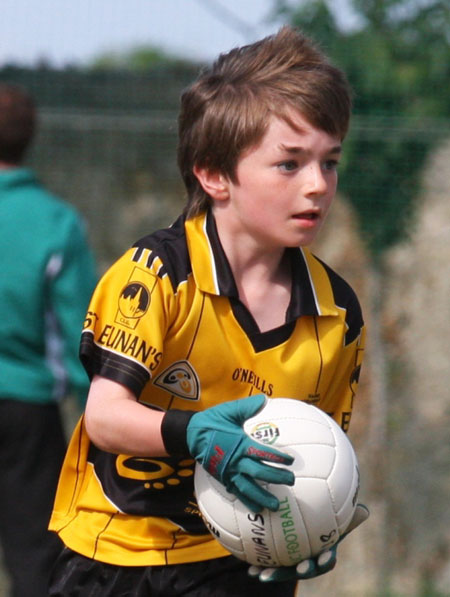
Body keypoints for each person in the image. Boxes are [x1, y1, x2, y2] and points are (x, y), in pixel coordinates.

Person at [49, 26, 368, 596]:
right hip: (123, 556)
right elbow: (104, 416)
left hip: (244, 562)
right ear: (214, 174)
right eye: (289, 164)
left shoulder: (337, 314)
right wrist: (195, 432)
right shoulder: (156, 275)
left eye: (330, 161)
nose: (319, 185)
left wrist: (324, 518)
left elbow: (315, 448)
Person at [0, 83, 97, 597]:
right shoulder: (56, 222)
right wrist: (99, 419)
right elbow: (82, 330)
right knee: (35, 559)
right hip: (27, 414)